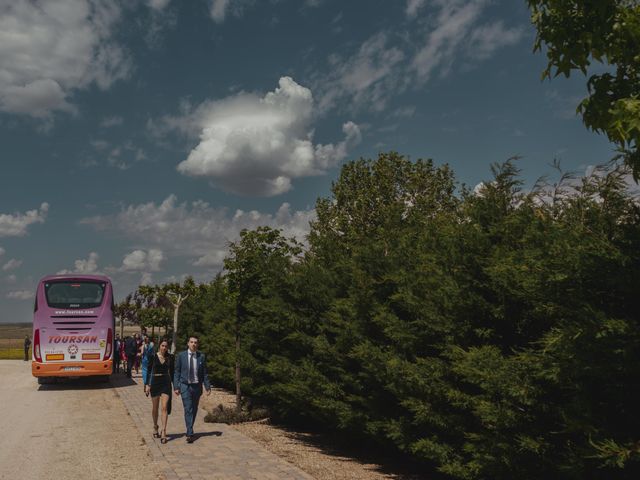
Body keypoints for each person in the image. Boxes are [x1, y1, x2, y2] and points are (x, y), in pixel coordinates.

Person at [173, 335, 211, 443]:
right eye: (191, 342)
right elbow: (177, 372)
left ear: (197, 344)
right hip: (185, 386)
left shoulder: (201, 357)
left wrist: (207, 386)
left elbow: (204, 373)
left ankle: (190, 427)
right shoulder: (181, 356)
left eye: (195, 342)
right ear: (188, 343)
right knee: (188, 408)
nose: (193, 344)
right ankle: (190, 432)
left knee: (194, 409)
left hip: (196, 387)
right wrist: (176, 386)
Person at [144, 338, 174, 444]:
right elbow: (148, 370)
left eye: (166, 346)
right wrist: (147, 384)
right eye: (162, 345)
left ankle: (164, 431)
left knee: (164, 407)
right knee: (155, 408)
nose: (164, 348)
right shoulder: (153, 356)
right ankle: (155, 426)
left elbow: (173, 373)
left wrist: (176, 387)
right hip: (155, 383)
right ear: (159, 346)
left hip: (166, 382)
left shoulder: (170, 357)